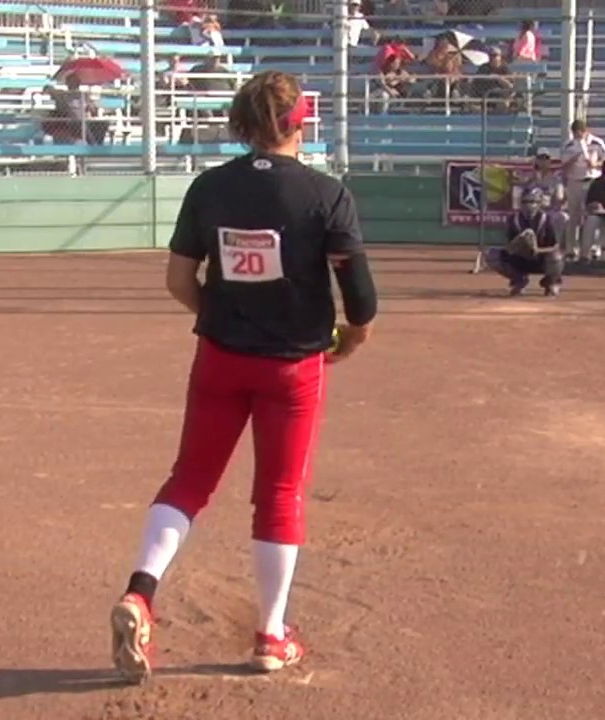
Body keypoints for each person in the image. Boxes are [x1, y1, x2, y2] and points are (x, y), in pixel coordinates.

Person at [108, 70, 378, 682]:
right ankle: (271, 635)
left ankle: (140, 593)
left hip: (220, 359)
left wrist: (225, 315)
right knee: (279, 495)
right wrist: (351, 339)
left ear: (241, 125)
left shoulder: (209, 188)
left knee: (189, 481)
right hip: (293, 367)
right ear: (299, 123)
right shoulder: (325, 194)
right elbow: (360, 301)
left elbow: (180, 281)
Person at [483, 188, 564, 297]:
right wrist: (519, 245)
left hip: (541, 258)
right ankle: (518, 280)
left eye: (533, 202)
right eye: (525, 202)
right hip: (519, 257)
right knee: (491, 255)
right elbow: (508, 245)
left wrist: (537, 250)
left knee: (556, 257)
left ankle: (551, 282)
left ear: (540, 203)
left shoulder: (547, 219)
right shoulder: (514, 219)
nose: (529, 205)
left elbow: (555, 246)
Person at [559, 118, 605, 260]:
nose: (577, 136)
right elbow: (562, 166)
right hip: (574, 181)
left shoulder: (597, 143)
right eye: (575, 134)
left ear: (585, 131)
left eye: (580, 133)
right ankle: (571, 249)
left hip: (592, 181)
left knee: (592, 215)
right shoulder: (568, 145)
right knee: (573, 216)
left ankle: (594, 248)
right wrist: (571, 161)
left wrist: (594, 164)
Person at [517, 148, 567, 243]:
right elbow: (521, 195)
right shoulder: (528, 177)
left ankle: (554, 246)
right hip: (530, 209)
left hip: (549, 209)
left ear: (550, 161)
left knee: (562, 217)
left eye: (546, 159)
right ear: (536, 160)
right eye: (541, 159)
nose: (543, 162)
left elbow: (559, 199)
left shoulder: (555, 179)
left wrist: (556, 205)